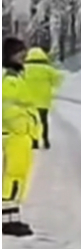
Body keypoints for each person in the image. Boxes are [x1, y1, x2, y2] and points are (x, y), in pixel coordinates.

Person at [2, 37, 41, 237]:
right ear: (11, 55)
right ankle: (8, 220)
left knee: (19, 177)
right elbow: (7, 110)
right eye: (20, 52)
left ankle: (12, 217)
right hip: (16, 136)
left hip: (21, 136)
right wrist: (23, 127)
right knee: (14, 177)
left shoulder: (17, 77)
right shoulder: (10, 80)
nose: (24, 56)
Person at [23, 46, 64, 150]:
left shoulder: (24, 69)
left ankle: (34, 141)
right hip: (44, 100)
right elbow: (58, 80)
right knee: (43, 121)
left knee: (32, 122)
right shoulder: (48, 69)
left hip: (29, 101)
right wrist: (50, 85)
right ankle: (45, 140)